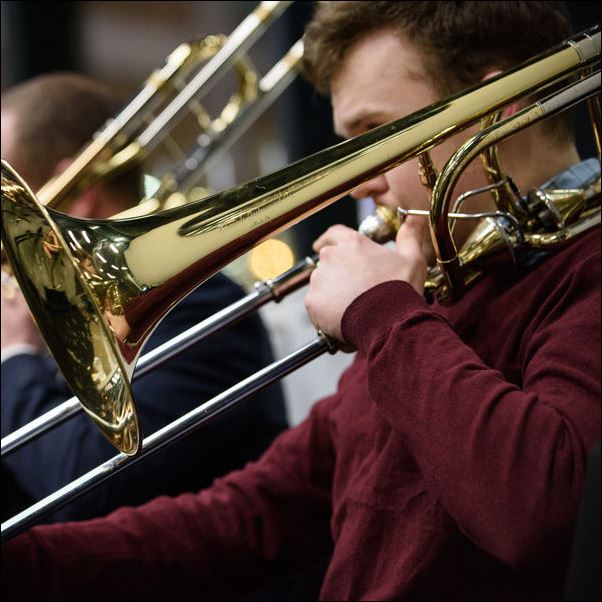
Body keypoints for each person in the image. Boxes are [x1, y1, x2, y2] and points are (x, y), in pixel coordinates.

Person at [2, 3, 600, 600]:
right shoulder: (432, 295)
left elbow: (548, 515)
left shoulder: (576, 268)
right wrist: (26, 562)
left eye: (379, 135)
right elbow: (253, 516)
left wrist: (385, 312)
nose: (361, 183)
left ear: (497, 105)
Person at [0, 72, 288, 523]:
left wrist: (12, 356)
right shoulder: (42, 316)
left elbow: (84, 485)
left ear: (76, 196)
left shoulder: (198, 304)